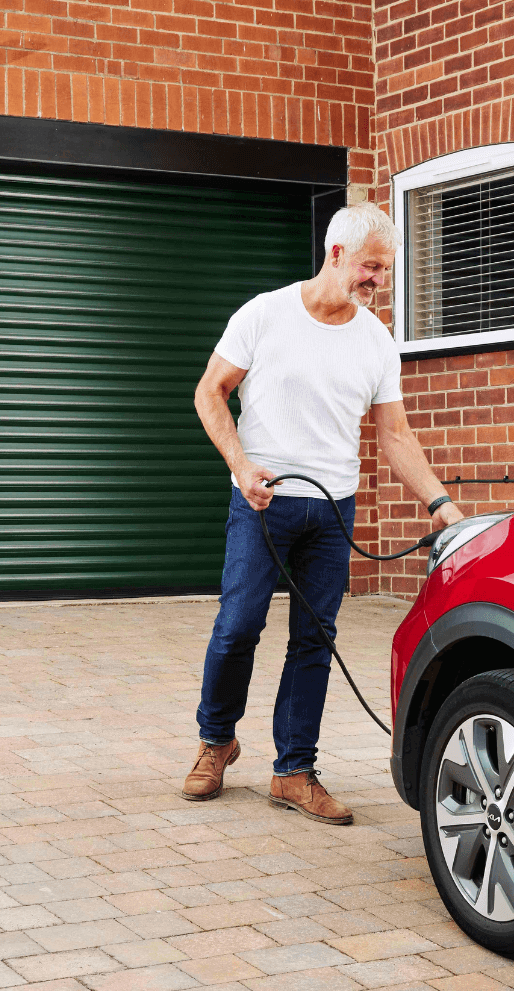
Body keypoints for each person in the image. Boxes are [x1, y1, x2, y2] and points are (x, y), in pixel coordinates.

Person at [184, 201, 467, 824]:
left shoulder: (375, 341)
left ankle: (293, 770)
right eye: (370, 267)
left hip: (333, 512)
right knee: (238, 626)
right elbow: (210, 391)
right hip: (263, 504)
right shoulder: (265, 315)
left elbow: (395, 434)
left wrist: (442, 504)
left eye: (385, 270)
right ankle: (216, 740)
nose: (378, 281)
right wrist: (240, 464)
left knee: (314, 640)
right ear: (335, 254)